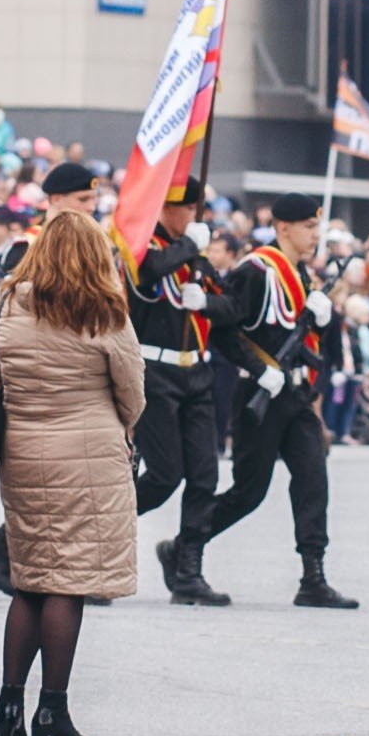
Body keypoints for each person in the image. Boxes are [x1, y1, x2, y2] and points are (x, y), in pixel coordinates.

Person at [0, 209, 146, 736]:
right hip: (87, 454)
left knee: (30, 574)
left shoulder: (9, 300)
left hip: (23, 449)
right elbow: (133, 390)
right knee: (68, 580)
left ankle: (9, 703)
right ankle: (52, 709)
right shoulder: (103, 308)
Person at [179, 192, 355, 608]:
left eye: (317, 227)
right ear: (282, 228)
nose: (316, 235)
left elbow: (310, 341)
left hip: (295, 394)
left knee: (313, 478)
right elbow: (224, 327)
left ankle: (313, 575)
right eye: (309, 227)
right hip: (260, 392)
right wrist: (260, 369)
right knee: (249, 492)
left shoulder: (301, 275)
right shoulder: (257, 270)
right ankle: (185, 549)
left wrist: (325, 319)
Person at [125, 202, 232, 602]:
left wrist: (206, 303)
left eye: (194, 206)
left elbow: (230, 306)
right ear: (164, 207)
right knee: (164, 474)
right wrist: (188, 244)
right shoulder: (142, 245)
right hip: (155, 372)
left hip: (197, 374)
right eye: (183, 206)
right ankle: (93, 529)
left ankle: (189, 569)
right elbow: (147, 273)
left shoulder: (196, 255)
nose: (190, 213)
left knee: (205, 476)